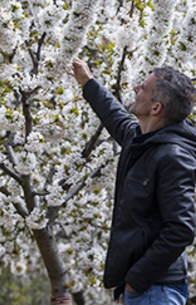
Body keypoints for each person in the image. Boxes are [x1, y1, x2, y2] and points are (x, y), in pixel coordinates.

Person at [72, 58, 196, 305]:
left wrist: (136, 280)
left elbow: (181, 229)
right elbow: (115, 116)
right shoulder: (142, 138)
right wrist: (88, 82)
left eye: (143, 87)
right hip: (144, 290)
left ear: (155, 108)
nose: (135, 88)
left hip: (155, 290)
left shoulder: (173, 157)